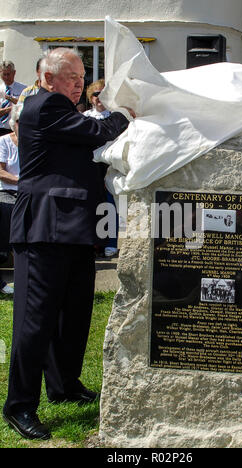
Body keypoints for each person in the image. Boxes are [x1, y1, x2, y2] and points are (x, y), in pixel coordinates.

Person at [2, 47, 135, 441]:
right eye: (70, 75)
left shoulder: (65, 113)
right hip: (43, 228)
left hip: (76, 227)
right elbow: (99, 132)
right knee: (34, 321)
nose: (79, 82)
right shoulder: (45, 107)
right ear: (46, 78)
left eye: (81, 75)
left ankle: (63, 385)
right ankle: (20, 406)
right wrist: (125, 114)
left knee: (74, 314)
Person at [84, 79, 119, 257]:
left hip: (111, 166)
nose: (99, 98)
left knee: (110, 205)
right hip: (89, 168)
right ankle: (93, 243)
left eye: (103, 94)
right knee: (91, 207)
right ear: (91, 97)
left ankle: (110, 242)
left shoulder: (117, 118)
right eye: (96, 94)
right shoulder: (84, 118)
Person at [0, 103, 22, 294]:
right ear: (12, 122)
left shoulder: (35, 142)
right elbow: (0, 171)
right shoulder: (4, 142)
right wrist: (20, 181)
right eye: (19, 122)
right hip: (7, 191)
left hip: (29, 191)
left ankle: (25, 278)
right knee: (12, 214)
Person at [0, 61, 26, 136]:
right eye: (4, 74)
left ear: (14, 73)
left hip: (16, 130)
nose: (6, 77)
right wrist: (11, 108)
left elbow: (25, 106)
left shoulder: (23, 89)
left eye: (8, 74)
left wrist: (10, 98)